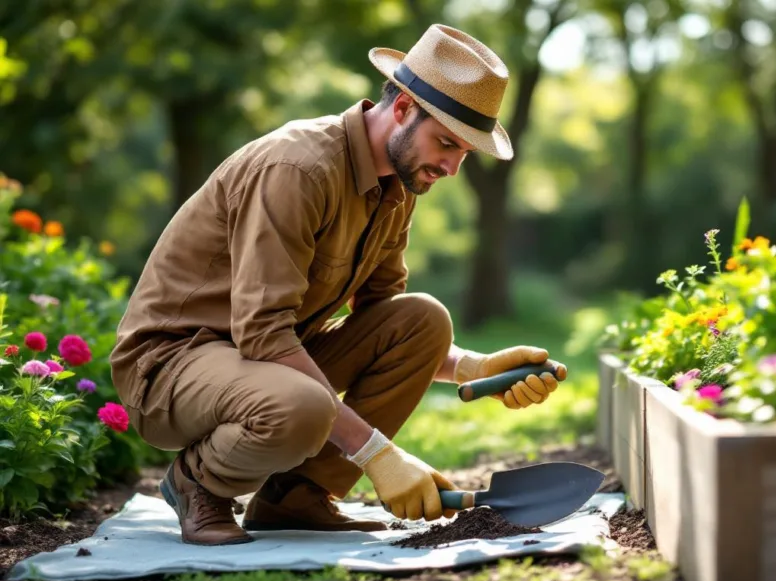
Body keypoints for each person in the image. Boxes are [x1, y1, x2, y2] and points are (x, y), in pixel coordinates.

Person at [109, 24, 568, 546]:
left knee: (423, 319)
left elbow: (386, 321)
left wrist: (474, 367)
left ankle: (296, 498)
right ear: (402, 108)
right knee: (303, 406)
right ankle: (198, 484)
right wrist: (378, 455)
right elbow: (263, 334)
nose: (451, 167)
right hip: (171, 365)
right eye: (445, 143)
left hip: (262, 361)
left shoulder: (399, 184)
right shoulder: (298, 169)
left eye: (465, 153)